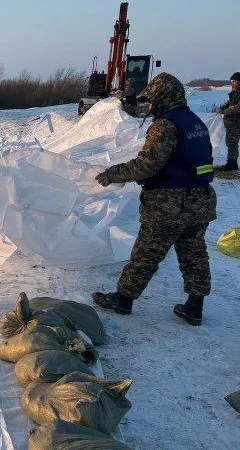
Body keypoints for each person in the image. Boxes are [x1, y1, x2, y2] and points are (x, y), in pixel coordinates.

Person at [91, 72, 217, 326]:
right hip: (200, 201)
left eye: (152, 98)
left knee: (147, 253)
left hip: (169, 204)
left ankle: (123, 299)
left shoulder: (165, 124)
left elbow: (148, 165)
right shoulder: (195, 122)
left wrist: (113, 173)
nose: (149, 105)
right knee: (194, 252)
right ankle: (195, 306)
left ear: (163, 96)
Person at [215, 72, 240, 172]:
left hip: (237, 123)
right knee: (230, 142)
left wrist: (225, 111)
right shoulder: (234, 93)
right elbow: (228, 104)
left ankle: (232, 164)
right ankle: (232, 163)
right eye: (232, 82)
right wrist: (220, 109)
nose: (232, 84)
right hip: (232, 124)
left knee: (232, 143)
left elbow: (237, 108)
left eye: (234, 81)